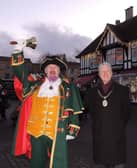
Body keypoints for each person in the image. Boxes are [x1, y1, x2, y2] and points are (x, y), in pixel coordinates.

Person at [10, 38, 84, 168]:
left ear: (59, 71)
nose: (52, 70)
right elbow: (20, 74)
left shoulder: (67, 87)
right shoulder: (35, 85)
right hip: (36, 132)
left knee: (58, 164)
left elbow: (74, 109)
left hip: (57, 132)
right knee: (36, 164)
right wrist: (18, 51)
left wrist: (72, 130)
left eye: (55, 68)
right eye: (49, 68)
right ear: (45, 71)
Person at [85, 62, 130, 168]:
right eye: (102, 71)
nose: (105, 73)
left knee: (118, 163)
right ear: (99, 74)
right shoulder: (91, 92)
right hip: (99, 137)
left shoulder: (123, 90)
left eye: (108, 71)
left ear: (112, 73)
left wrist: (118, 126)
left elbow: (127, 113)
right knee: (100, 163)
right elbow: (89, 110)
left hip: (117, 138)